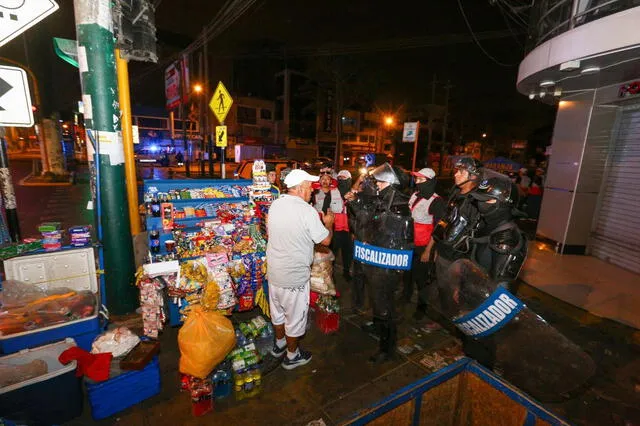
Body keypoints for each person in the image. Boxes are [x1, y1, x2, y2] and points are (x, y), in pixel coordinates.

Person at [266, 169, 334, 370]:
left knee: (277, 312)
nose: (312, 192)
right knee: (294, 319)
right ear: (299, 188)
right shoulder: (307, 211)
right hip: (294, 276)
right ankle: (292, 356)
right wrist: (329, 224)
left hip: (275, 272)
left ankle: (279, 344)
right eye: (309, 188)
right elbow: (326, 240)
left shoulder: (276, 204)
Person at [346, 163, 413, 363]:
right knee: (377, 300)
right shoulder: (386, 200)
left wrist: (356, 205)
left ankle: (387, 348)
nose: (377, 185)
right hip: (376, 262)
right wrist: (356, 201)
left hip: (387, 266)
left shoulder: (398, 208)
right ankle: (377, 324)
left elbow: (373, 226)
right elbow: (369, 217)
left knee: (386, 307)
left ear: (392, 184)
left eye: (381, 182)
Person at [404, 168, 446, 321]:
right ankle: (405, 298)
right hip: (409, 243)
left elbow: (438, 229)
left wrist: (428, 251)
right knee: (407, 273)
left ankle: (422, 308)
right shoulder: (415, 195)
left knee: (421, 279)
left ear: (430, 182)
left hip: (424, 246)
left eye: (421, 180)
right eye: (417, 179)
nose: (417, 182)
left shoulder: (437, 201)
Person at [334, 170, 353, 281]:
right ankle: (331, 275)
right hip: (335, 228)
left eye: (344, 179)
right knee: (333, 253)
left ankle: (346, 272)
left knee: (348, 253)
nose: (341, 181)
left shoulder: (353, 193)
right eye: (339, 178)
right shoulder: (333, 192)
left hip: (348, 229)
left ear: (349, 180)